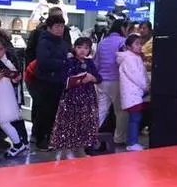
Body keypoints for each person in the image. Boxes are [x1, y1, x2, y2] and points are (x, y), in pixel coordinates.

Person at [49, 37, 101, 159]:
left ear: (90, 50)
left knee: (84, 123)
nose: (82, 50)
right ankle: (65, 150)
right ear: (74, 48)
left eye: (86, 48)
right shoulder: (69, 61)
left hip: (87, 97)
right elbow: (64, 79)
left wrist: (92, 78)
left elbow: (99, 77)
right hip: (71, 97)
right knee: (69, 123)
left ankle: (80, 149)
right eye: (79, 47)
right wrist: (78, 79)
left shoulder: (89, 62)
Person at [0, 38, 28, 161]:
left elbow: (14, 77)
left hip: (5, 98)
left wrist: (15, 78)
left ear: (5, 50)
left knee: (4, 122)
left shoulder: (6, 62)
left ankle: (18, 144)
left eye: (1, 49)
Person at [32, 14, 72, 151]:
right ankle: (41, 139)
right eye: (57, 26)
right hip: (46, 81)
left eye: (62, 26)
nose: (60, 29)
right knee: (45, 111)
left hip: (60, 81)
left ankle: (52, 137)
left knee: (55, 111)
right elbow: (44, 62)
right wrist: (64, 62)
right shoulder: (44, 42)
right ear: (49, 27)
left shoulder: (63, 43)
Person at [93, 19, 130, 147]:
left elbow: (96, 63)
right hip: (118, 81)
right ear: (122, 28)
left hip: (102, 81)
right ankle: (119, 138)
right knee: (121, 112)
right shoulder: (123, 42)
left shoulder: (103, 42)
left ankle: (90, 137)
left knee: (101, 111)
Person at [117, 34, 149, 152]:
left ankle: (133, 141)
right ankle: (132, 142)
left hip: (136, 93)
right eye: (136, 44)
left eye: (140, 44)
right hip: (132, 93)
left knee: (135, 118)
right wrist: (146, 86)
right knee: (135, 118)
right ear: (129, 46)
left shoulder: (135, 57)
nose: (140, 46)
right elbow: (136, 76)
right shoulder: (129, 59)